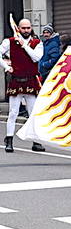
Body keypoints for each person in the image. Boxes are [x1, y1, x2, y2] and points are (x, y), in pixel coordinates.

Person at [0, 19, 45, 152]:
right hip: (16, 79)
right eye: (23, 28)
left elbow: (36, 58)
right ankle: (9, 140)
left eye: (28, 28)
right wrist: (6, 67)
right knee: (13, 112)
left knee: (32, 113)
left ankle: (36, 141)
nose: (26, 30)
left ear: (31, 28)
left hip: (31, 79)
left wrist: (24, 45)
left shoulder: (37, 43)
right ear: (18, 28)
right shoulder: (9, 41)